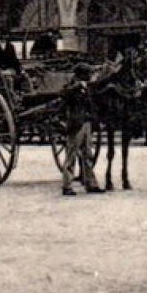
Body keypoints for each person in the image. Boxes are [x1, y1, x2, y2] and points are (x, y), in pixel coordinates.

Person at [58, 64, 103, 196]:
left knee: (88, 154)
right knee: (71, 155)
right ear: (81, 75)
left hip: (86, 123)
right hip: (76, 124)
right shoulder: (72, 88)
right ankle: (67, 186)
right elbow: (64, 95)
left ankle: (91, 183)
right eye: (88, 74)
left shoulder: (87, 88)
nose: (90, 76)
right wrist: (76, 87)